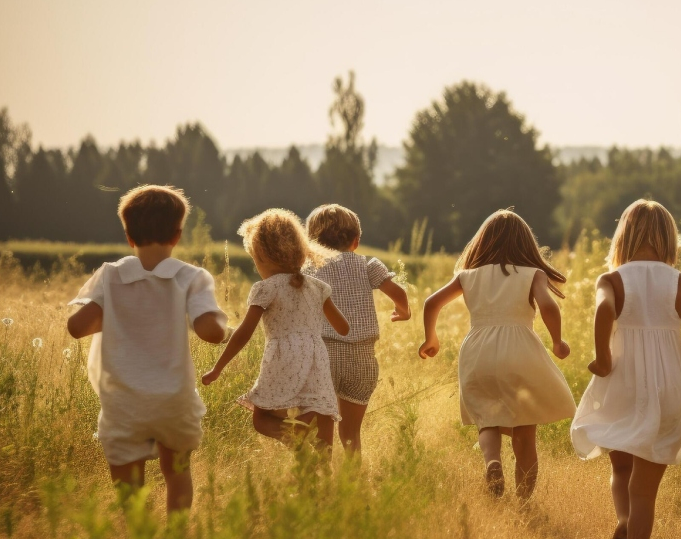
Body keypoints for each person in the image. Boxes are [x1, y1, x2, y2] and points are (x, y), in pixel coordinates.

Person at [571, 199, 681, 539]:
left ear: (622, 238)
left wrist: (604, 356)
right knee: (644, 491)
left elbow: (603, 310)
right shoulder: (680, 282)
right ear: (669, 241)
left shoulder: (611, 280)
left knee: (621, 468)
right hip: (667, 389)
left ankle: (624, 522)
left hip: (624, 383)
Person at [66, 185, 229, 514]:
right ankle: (177, 537)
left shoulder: (111, 276)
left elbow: (76, 327)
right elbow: (210, 332)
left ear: (128, 236)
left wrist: (121, 315)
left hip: (123, 401)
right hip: (173, 401)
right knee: (177, 473)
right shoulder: (190, 277)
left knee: (128, 481)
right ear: (178, 234)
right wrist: (222, 328)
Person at [419, 210, 576, 499]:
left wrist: (431, 339)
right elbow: (549, 307)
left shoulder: (467, 276)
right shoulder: (533, 274)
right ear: (525, 244)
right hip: (519, 350)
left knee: (486, 418)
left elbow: (431, 303)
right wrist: (557, 341)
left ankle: (492, 462)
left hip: (477, 351)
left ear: (482, 242)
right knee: (525, 434)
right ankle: (524, 504)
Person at [201, 209, 349, 451]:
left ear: (262, 257)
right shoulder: (318, 287)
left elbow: (244, 332)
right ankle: (322, 475)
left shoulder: (266, 288)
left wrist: (218, 367)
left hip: (283, 356)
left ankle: (297, 432)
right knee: (320, 414)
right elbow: (343, 328)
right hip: (317, 357)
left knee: (262, 419)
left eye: (254, 259)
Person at [303, 204, 410, 456]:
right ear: (356, 241)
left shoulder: (308, 269)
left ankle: (322, 485)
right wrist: (403, 311)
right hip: (361, 359)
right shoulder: (368, 265)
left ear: (311, 243)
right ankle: (354, 484)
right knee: (351, 435)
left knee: (322, 434)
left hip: (324, 355)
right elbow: (398, 293)